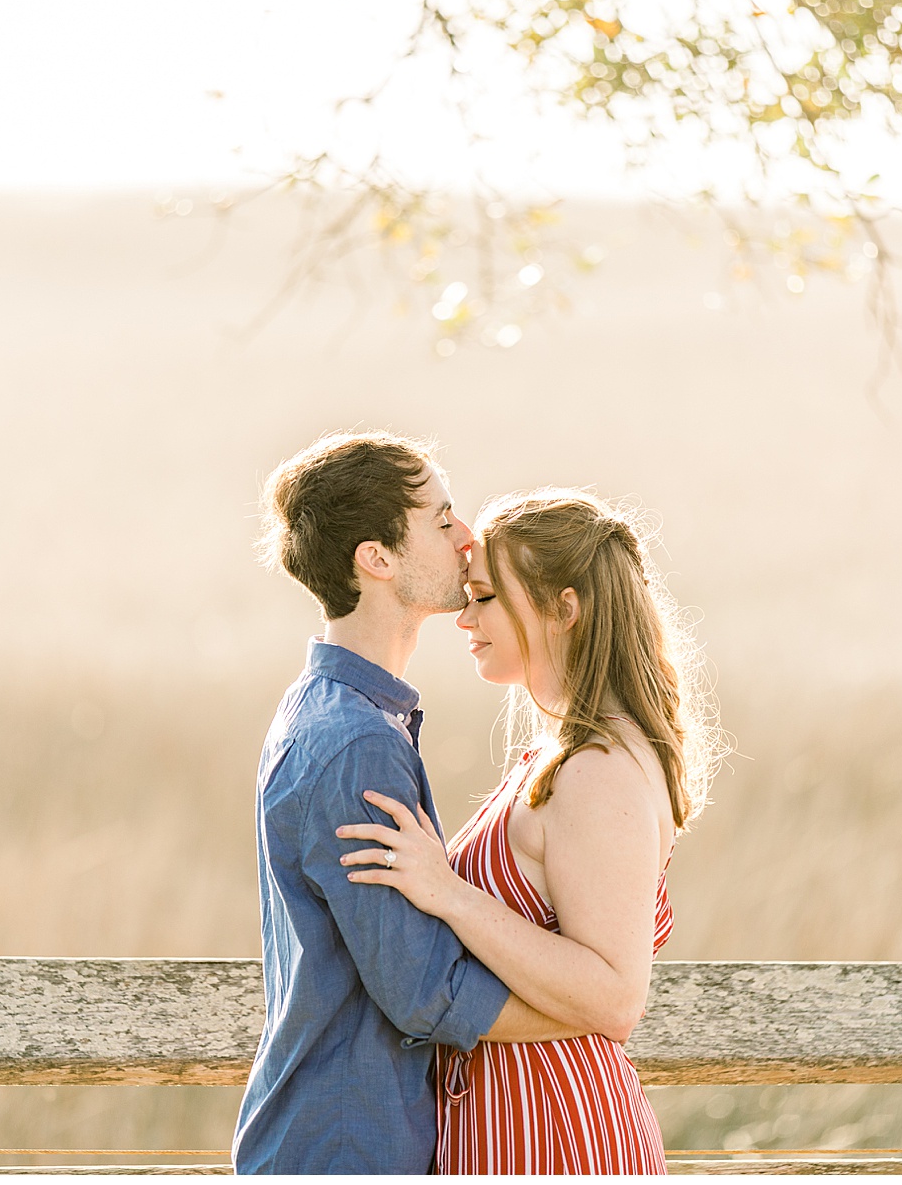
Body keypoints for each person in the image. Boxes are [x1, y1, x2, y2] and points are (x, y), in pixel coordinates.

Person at [337, 487, 724, 1174]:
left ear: (562, 608)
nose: (465, 617)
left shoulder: (600, 770)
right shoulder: (562, 756)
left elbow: (614, 995)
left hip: (556, 1133)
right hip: (507, 1124)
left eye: (486, 597)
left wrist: (447, 892)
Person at [233, 433, 588, 1175]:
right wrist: (591, 1010)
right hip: (344, 1148)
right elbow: (425, 993)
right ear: (378, 558)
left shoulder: (340, 715)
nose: (467, 538)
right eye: (441, 517)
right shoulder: (353, 742)